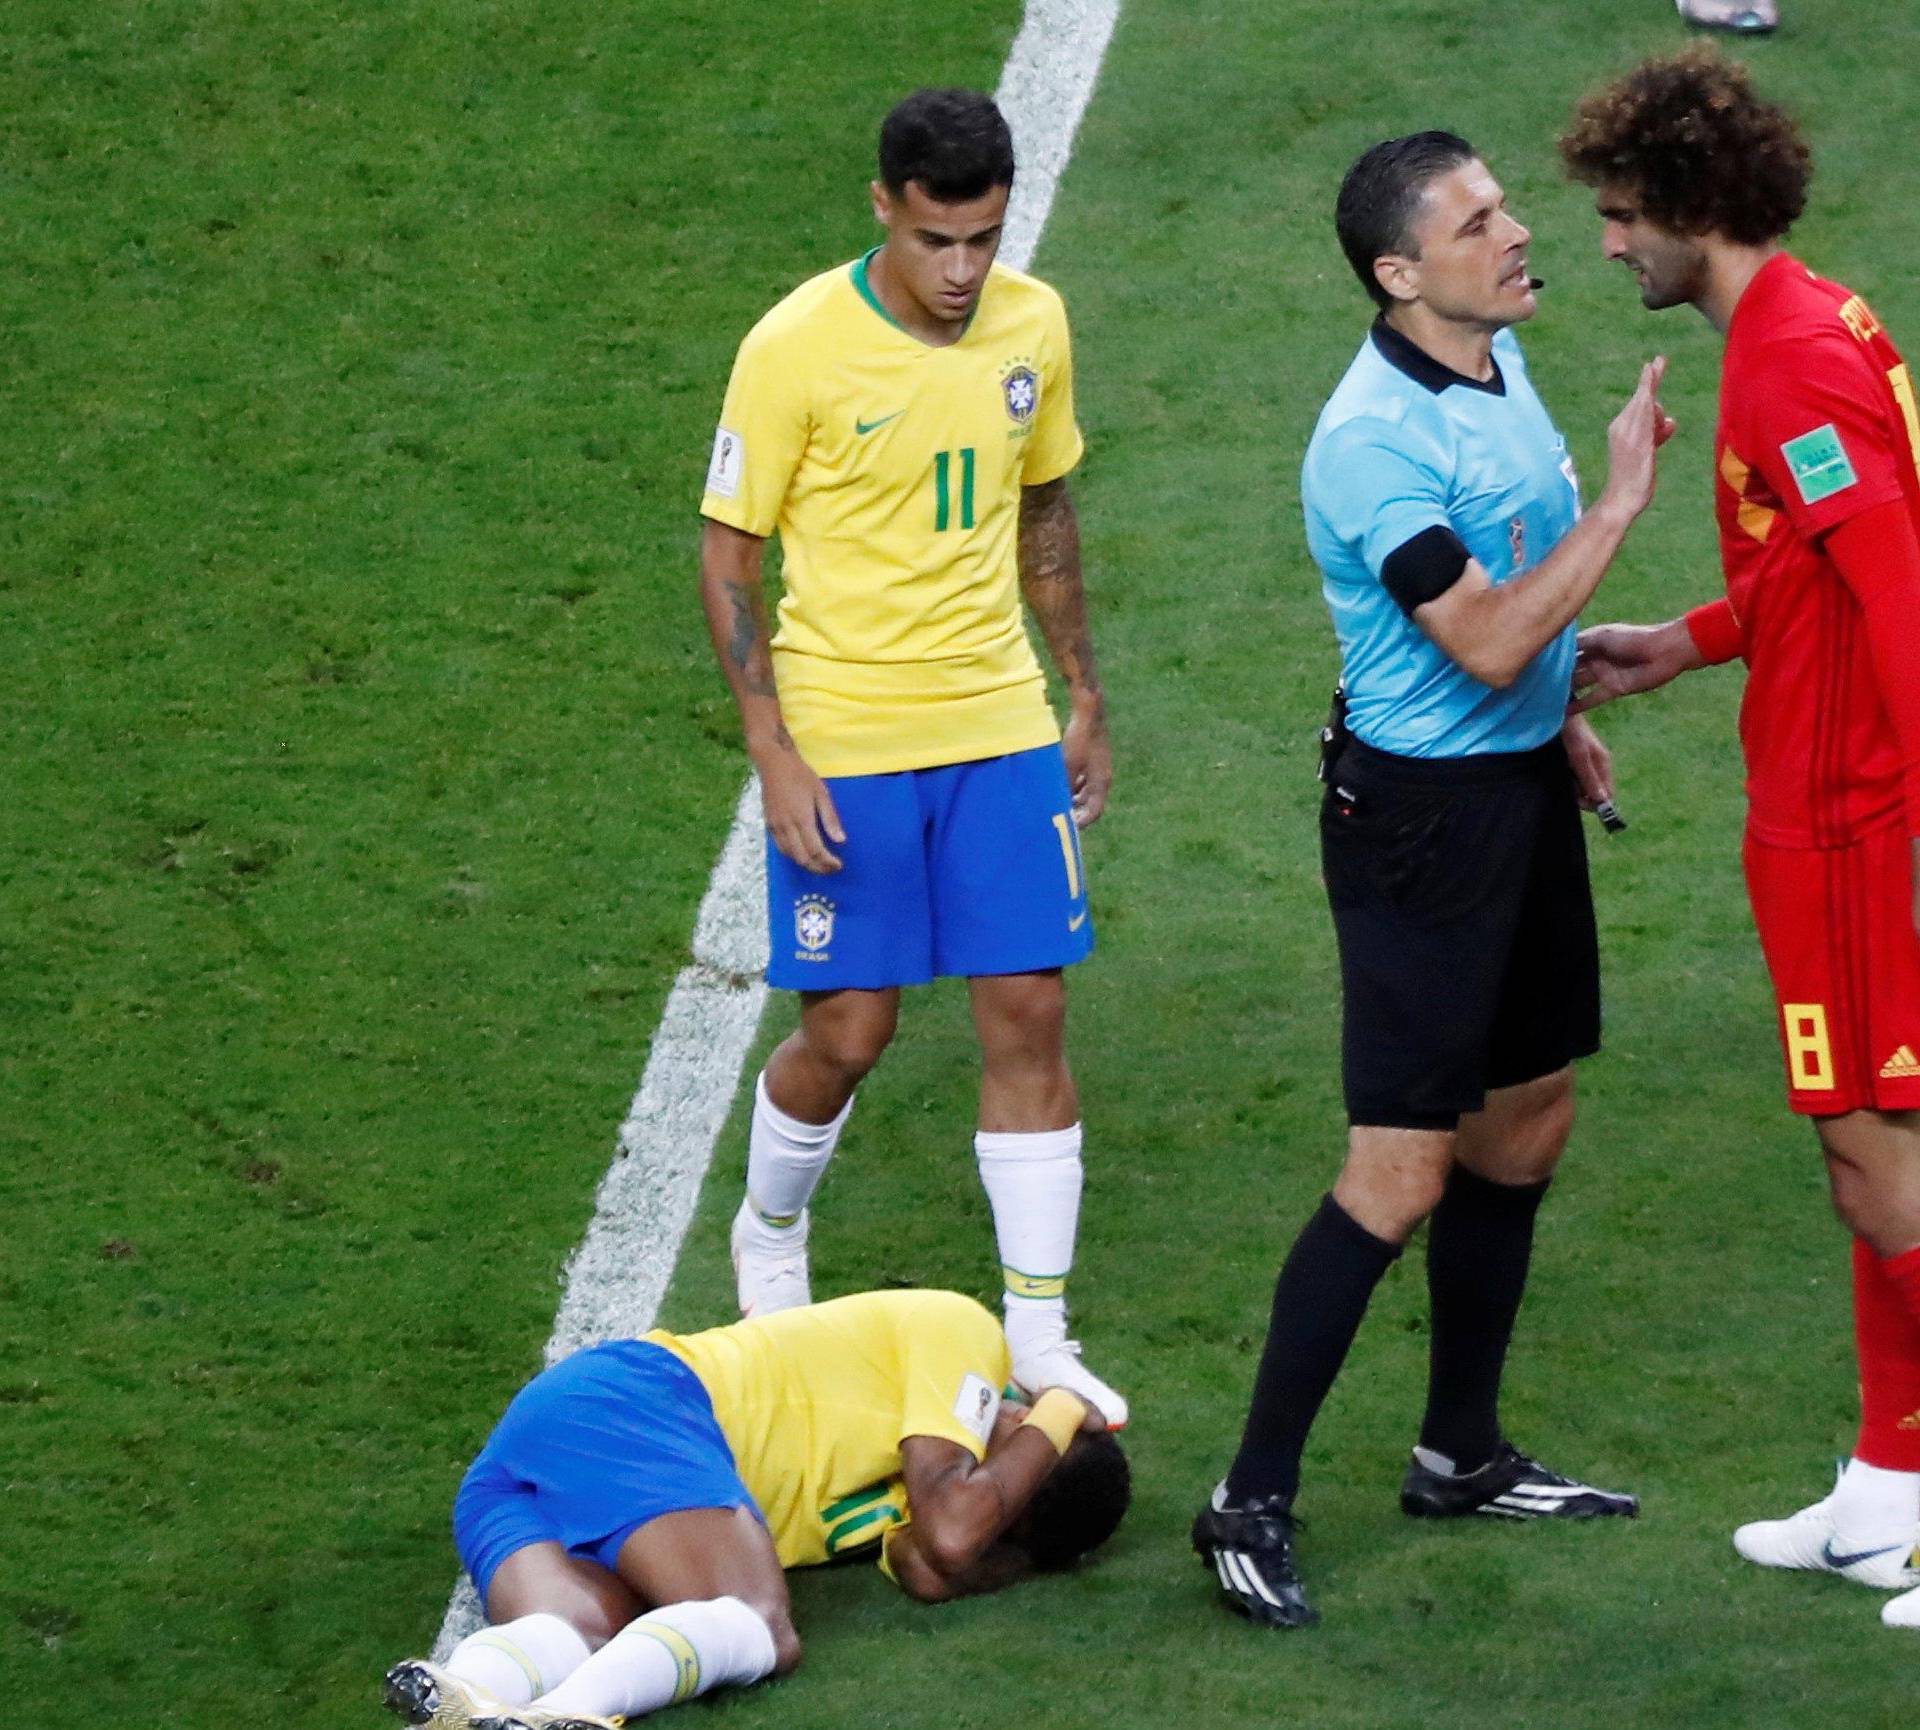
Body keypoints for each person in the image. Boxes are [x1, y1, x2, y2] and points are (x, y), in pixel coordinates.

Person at [1192, 131, 1669, 1629]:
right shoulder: (1368, 443)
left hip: (1514, 793)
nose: (1520, 232)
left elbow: (1514, 629)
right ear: (1402, 274)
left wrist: (1562, 722)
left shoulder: (1491, 359)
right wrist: (1620, 506)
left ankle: (1458, 1448)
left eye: (1505, 205)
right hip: (1418, 829)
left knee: (1526, 1123)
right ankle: (1244, 1497)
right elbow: (1478, 636)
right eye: (1480, 222)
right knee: (1398, 1168)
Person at [696, 87, 1124, 1425]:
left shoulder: (1033, 324)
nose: (962, 273)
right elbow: (729, 557)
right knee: (851, 1028)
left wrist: (1084, 688)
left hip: (994, 723)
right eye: (939, 241)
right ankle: (769, 1233)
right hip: (851, 736)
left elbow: (1044, 510)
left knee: (1031, 1009)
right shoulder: (793, 347)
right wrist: (772, 746)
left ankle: (1039, 1335)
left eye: (984, 240)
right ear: (884, 207)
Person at [1561, 47, 1920, 1629]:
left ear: (1695, 209)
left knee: (1879, 1165)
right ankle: (1889, 1485)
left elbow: (1904, 597)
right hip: (1821, 810)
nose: (1607, 243)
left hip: (1850, 830)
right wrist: (1686, 641)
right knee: (1872, 1165)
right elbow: (1818, 577)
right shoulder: (1806, 322)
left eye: (1624, 214)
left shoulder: (1789, 366)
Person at [382, 1289, 1130, 1729]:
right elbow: (959, 1529)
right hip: (642, 1403)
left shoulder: (924, 1497)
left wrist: (1050, 1425)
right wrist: (1061, 1413)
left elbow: (940, 1558)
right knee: (759, 1622)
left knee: (589, 1626)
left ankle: (464, 1690)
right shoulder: (965, 1332)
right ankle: (565, 1718)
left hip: (542, 1460)